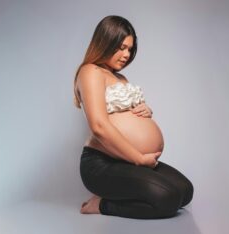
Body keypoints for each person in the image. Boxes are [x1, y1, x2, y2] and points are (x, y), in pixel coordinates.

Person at [73, 15, 194, 219]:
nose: (126, 54)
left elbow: (125, 114)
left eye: (130, 49)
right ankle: (102, 205)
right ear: (105, 42)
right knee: (168, 199)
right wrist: (139, 159)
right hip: (102, 164)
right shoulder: (90, 72)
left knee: (185, 191)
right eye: (121, 47)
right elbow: (99, 125)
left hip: (126, 161)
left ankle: (131, 191)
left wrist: (145, 111)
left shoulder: (120, 77)